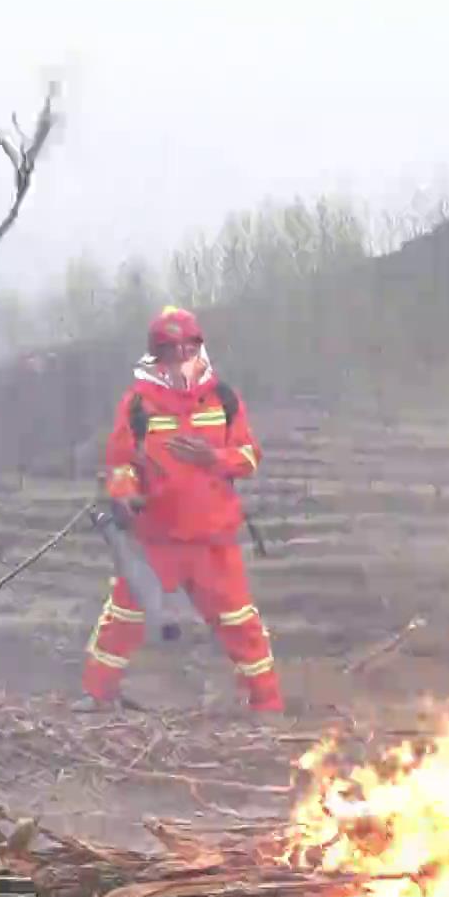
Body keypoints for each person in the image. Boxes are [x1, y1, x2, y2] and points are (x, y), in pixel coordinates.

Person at [76, 305, 283, 714]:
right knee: (124, 616)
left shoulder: (224, 399)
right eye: (170, 349)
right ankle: (97, 695)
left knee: (241, 623)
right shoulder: (137, 404)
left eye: (188, 347)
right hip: (156, 539)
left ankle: (267, 705)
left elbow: (249, 456)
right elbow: (120, 461)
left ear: (199, 348)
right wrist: (125, 494)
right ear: (156, 354)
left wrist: (214, 458)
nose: (180, 356)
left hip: (213, 540)